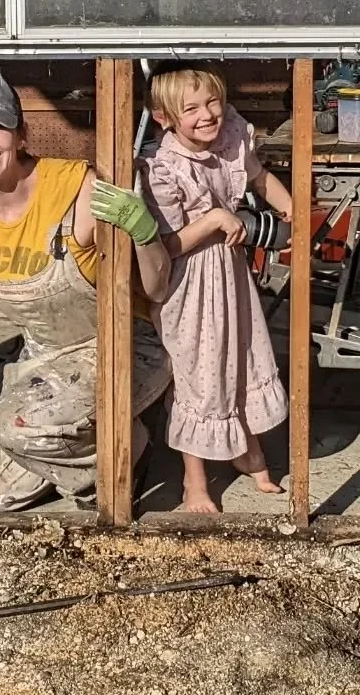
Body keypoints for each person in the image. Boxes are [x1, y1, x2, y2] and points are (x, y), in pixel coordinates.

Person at [0, 73, 172, 513]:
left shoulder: (74, 187)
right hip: (44, 352)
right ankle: (79, 441)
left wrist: (145, 232)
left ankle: (129, 445)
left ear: (20, 134)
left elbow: (158, 286)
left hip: (123, 345)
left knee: (11, 429)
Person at [140, 64, 290, 514]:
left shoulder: (232, 138)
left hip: (230, 273)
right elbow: (165, 246)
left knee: (242, 358)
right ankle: (194, 481)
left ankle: (247, 451)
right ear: (164, 117)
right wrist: (214, 220)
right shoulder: (161, 168)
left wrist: (291, 211)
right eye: (191, 109)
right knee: (199, 376)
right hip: (187, 283)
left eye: (213, 102)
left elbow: (259, 176)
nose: (208, 115)